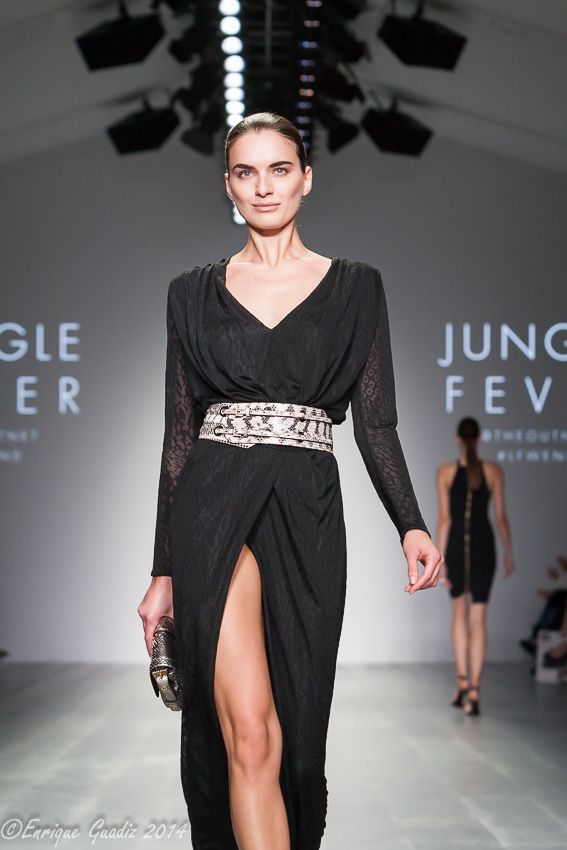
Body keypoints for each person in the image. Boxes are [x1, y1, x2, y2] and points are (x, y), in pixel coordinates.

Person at [138, 112, 443, 850]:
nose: (264, 186)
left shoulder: (356, 288)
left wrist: (410, 523)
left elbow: (375, 423)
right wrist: (162, 571)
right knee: (247, 736)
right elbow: (179, 438)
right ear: (228, 185)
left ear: (307, 178)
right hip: (212, 506)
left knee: (298, 749)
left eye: (279, 169)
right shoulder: (190, 294)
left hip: (307, 510)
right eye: (246, 172)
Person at [437, 417, 514, 716]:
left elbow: (445, 519)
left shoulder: (444, 472)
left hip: (456, 547)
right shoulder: (494, 471)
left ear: (457, 438)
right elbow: (501, 517)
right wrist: (509, 553)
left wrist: (439, 558)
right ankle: (474, 691)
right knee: (478, 617)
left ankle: (462, 682)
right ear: (479, 438)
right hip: (484, 546)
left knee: (460, 614)